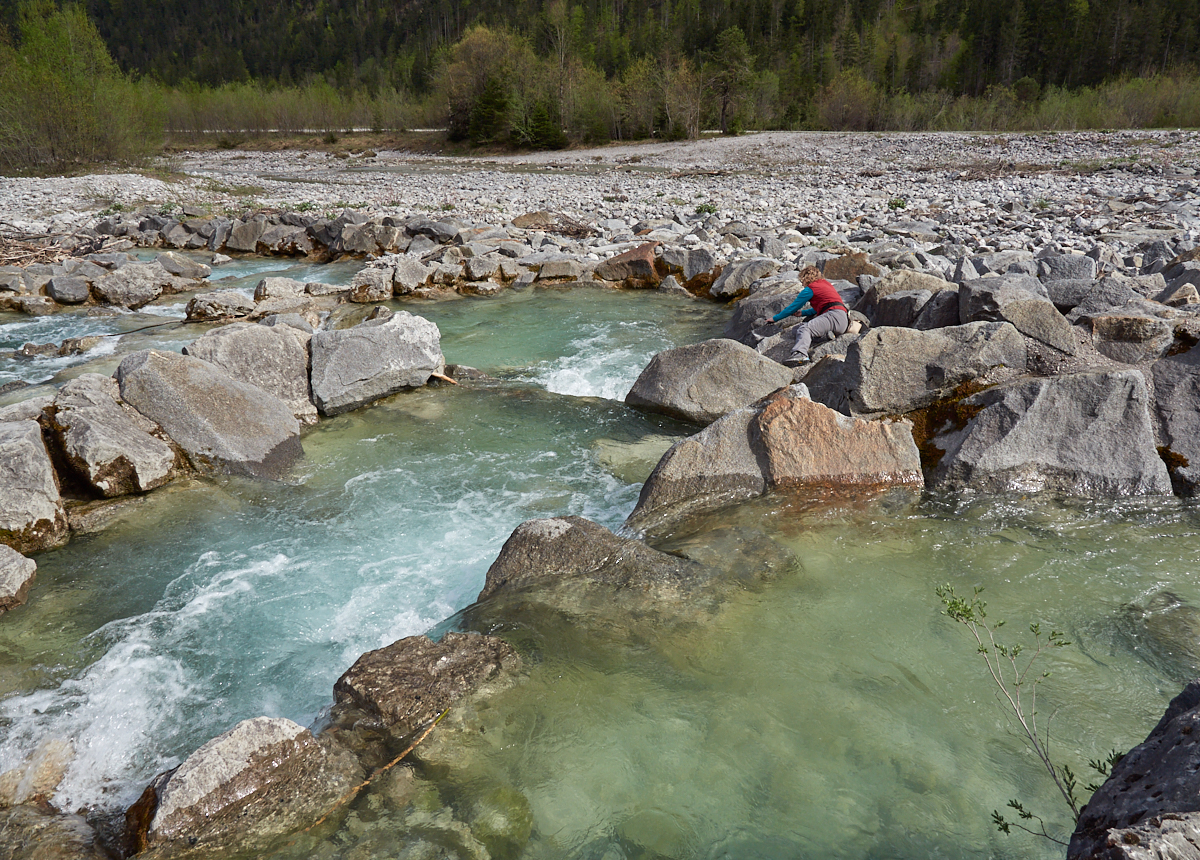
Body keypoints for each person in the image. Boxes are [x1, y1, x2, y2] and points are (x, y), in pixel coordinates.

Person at [757, 265, 849, 367]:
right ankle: (826, 336)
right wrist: (803, 313)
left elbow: (792, 307)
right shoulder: (826, 284)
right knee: (797, 329)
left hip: (833, 316)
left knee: (805, 329)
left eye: (802, 280)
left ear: (805, 278)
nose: (802, 283)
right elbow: (824, 306)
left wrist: (774, 319)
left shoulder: (810, 289)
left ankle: (801, 354)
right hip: (842, 318)